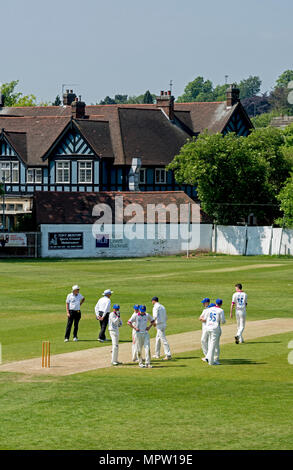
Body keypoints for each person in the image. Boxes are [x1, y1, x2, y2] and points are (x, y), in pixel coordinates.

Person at [204, 299, 226, 366]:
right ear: (221, 304)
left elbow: (205, 318)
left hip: (208, 327)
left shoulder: (209, 309)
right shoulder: (220, 310)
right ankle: (211, 361)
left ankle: (210, 358)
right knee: (213, 345)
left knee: (211, 343)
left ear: (216, 303)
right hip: (215, 328)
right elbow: (223, 321)